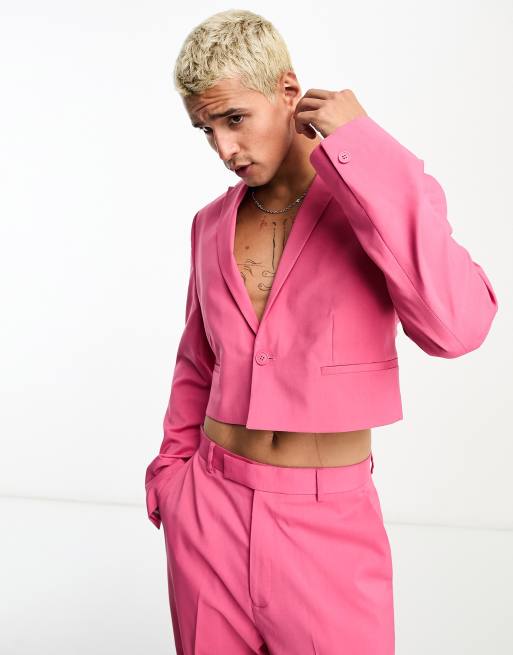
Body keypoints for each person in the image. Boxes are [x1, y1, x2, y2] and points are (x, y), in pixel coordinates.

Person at [144, 9, 498, 655]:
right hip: (207, 512)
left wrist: (365, 146)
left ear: (287, 90)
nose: (224, 149)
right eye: (205, 129)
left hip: (325, 523)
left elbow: (458, 328)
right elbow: (197, 361)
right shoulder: (209, 223)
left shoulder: (375, 196)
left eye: (234, 119)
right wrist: (171, 477)